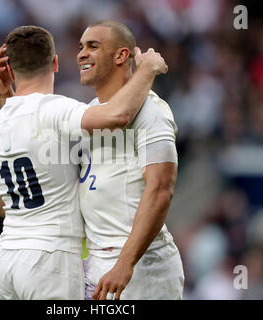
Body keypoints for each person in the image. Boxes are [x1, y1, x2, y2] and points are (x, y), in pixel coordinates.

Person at [0, 25, 168, 300]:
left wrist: (6, 100)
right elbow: (117, 116)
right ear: (55, 63)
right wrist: (147, 69)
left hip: (6, 260)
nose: (83, 53)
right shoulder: (54, 108)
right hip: (50, 259)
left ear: (9, 69)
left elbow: (1, 205)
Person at [76, 20, 184, 300]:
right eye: (81, 47)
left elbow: (161, 191)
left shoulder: (153, 111)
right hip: (99, 266)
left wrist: (125, 264)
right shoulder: (89, 113)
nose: (81, 54)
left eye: (93, 46)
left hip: (142, 269)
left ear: (121, 56)